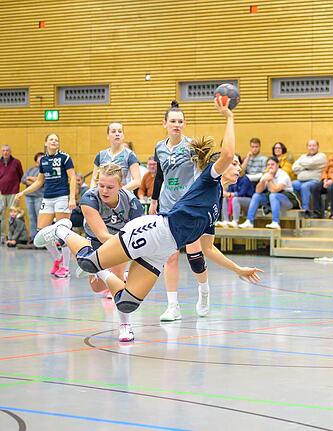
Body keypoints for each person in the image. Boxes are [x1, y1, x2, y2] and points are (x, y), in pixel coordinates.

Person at [34, 98, 262, 327]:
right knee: (87, 262)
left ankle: (104, 273)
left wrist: (237, 269)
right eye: (233, 164)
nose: (237, 168)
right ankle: (62, 230)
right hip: (155, 231)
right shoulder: (208, 181)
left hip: (163, 250)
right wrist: (230, 117)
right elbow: (228, 152)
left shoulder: (215, 204)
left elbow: (208, 248)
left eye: (236, 164)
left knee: (126, 302)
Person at [149, 100, 212, 321]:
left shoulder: (192, 146)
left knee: (194, 255)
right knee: (171, 256)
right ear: (164, 123)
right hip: (168, 206)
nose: (177, 124)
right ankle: (173, 306)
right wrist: (154, 200)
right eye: (173, 121)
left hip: (189, 206)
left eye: (180, 121)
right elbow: (159, 176)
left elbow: (203, 174)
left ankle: (204, 290)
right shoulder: (159, 147)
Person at [79, 163, 144, 342]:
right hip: (97, 240)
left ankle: (125, 326)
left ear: (120, 186)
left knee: (116, 276)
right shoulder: (89, 199)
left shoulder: (132, 202)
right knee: (97, 287)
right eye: (101, 185)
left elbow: (137, 233)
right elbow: (101, 234)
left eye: (110, 187)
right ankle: (62, 231)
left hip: (121, 241)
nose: (104, 191)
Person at [14, 133, 76, 278]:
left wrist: (72, 198)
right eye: (51, 139)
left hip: (62, 197)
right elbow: (39, 181)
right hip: (47, 198)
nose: (54, 141)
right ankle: (58, 259)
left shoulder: (65, 158)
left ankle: (66, 268)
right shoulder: (43, 161)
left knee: (63, 233)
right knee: (42, 233)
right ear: (46, 143)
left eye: (56, 140)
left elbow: (72, 177)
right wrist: (23, 192)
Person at [239, 157, 298, 230]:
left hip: (288, 201)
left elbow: (274, 190)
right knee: (256, 196)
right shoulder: (266, 175)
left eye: (272, 164)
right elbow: (257, 190)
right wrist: (263, 181)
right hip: (273, 201)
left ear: (277, 165)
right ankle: (249, 221)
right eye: (268, 165)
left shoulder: (283, 175)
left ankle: (276, 222)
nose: (270, 166)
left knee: (273, 195)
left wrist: (269, 180)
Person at [90, 122, 141, 193]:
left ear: (123, 135)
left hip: (122, 197)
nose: (117, 134)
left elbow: (137, 181)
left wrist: (117, 191)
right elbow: (94, 179)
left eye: (120, 131)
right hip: (103, 196)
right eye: (113, 131)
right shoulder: (100, 155)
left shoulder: (130, 155)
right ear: (108, 136)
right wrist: (93, 193)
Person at [292, 139, 328, 218]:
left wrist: (303, 165)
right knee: (292, 185)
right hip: (300, 181)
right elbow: (294, 168)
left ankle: (306, 210)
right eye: (310, 146)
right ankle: (297, 206)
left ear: (318, 146)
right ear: (307, 147)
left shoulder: (321, 156)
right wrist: (308, 167)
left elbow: (310, 163)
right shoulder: (303, 156)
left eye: (314, 145)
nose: (312, 148)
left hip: (314, 181)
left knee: (305, 187)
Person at [216, 154, 254, 228]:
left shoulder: (245, 179)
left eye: (238, 165)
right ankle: (225, 220)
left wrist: (230, 194)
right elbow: (230, 190)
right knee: (225, 199)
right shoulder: (232, 179)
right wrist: (227, 194)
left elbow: (242, 193)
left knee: (235, 199)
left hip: (248, 201)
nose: (238, 169)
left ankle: (235, 221)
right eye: (234, 164)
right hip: (236, 198)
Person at [0, 145, 24, 240]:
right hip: (1, 193)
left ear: (10, 152)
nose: (5, 152)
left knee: (13, 215)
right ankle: (2, 236)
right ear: (1, 152)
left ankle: (12, 237)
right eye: (3, 150)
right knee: (1, 216)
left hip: (13, 192)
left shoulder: (16, 162)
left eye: (7, 150)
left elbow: (21, 176)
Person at [21, 152, 44, 238]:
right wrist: (36, 182)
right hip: (29, 196)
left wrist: (31, 178)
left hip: (40, 196)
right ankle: (33, 237)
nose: (41, 159)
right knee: (31, 217)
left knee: (40, 217)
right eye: (39, 157)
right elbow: (23, 179)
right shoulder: (31, 169)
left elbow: (43, 181)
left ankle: (40, 237)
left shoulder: (45, 170)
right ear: (36, 160)